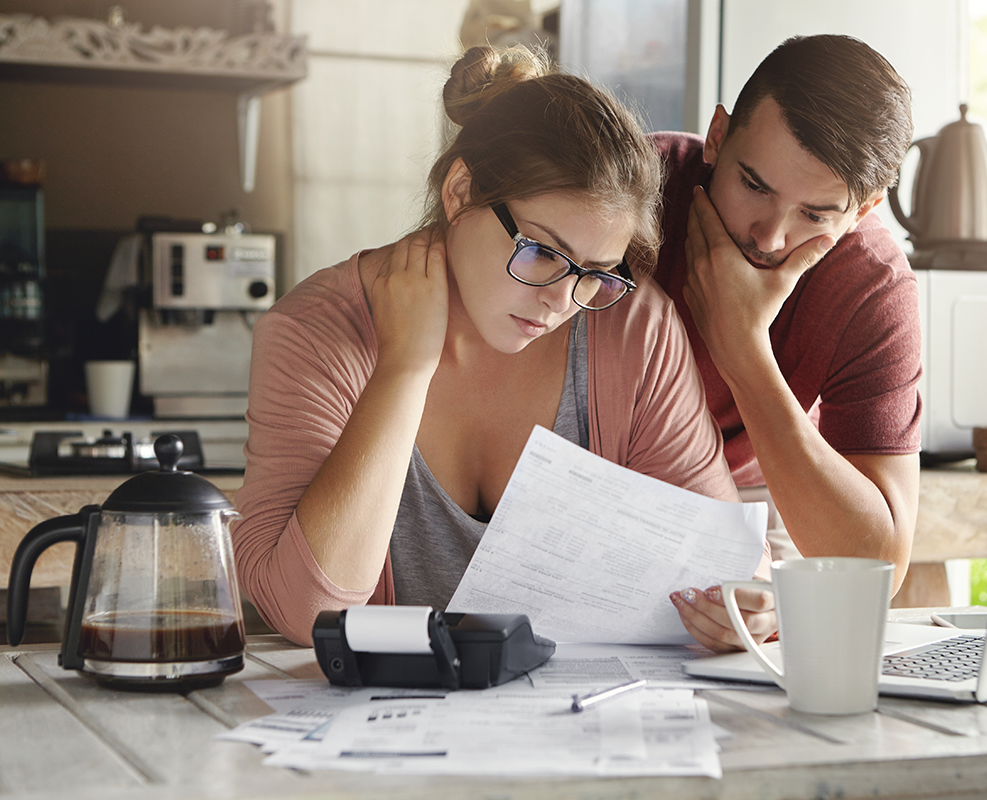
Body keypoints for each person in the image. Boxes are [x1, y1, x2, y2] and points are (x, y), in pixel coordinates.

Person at [231, 44, 773, 650]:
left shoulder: (632, 326)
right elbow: (307, 611)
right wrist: (405, 369)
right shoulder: (315, 332)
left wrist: (746, 607)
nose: (560, 300)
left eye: (595, 272)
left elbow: (723, 566)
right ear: (461, 192)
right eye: (541, 251)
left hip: (578, 724)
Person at [656, 35, 923, 648]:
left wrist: (744, 351)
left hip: (756, 486)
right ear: (718, 137)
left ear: (864, 209)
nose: (772, 237)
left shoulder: (872, 285)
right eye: (754, 185)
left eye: (817, 214)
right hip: (589, 464)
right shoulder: (631, 191)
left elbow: (876, 571)